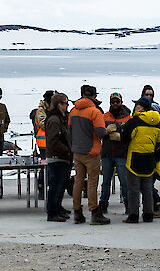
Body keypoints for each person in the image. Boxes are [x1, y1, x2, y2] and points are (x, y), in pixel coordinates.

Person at [123, 97, 160, 224]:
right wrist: (158, 155)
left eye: (137, 105)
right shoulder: (156, 122)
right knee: (147, 189)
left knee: (133, 189)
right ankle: (148, 214)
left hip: (134, 158)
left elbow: (125, 137)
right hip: (150, 158)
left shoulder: (134, 121)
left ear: (141, 106)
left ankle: (133, 215)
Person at [69, 85, 110, 225]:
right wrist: (107, 131)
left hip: (77, 151)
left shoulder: (73, 111)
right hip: (92, 152)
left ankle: (77, 212)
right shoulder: (95, 112)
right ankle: (94, 212)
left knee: (78, 182)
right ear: (94, 96)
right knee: (92, 183)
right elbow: (100, 132)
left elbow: (69, 131)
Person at [42, 92, 74, 222]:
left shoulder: (61, 118)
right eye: (65, 103)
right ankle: (52, 212)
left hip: (63, 157)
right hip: (57, 158)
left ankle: (57, 208)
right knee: (55, 186)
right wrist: (68, 150)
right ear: (59, 104)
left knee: (61, 185)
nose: (67, 106)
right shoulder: (54, 120)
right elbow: (53, 141)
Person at [99, 93, 131, 216]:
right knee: (105, 181)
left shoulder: (128, 118)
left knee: (124, 181)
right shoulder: (104, 117)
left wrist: (121, 135)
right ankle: (103, 204)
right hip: (107, 153)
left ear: (121, 102)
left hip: (121, 154)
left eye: (117, 102)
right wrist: (105, 132)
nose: (115, 104)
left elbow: (131, 134)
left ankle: (128, 204)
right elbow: (98, 132)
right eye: (113, 102)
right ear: (110, 103)